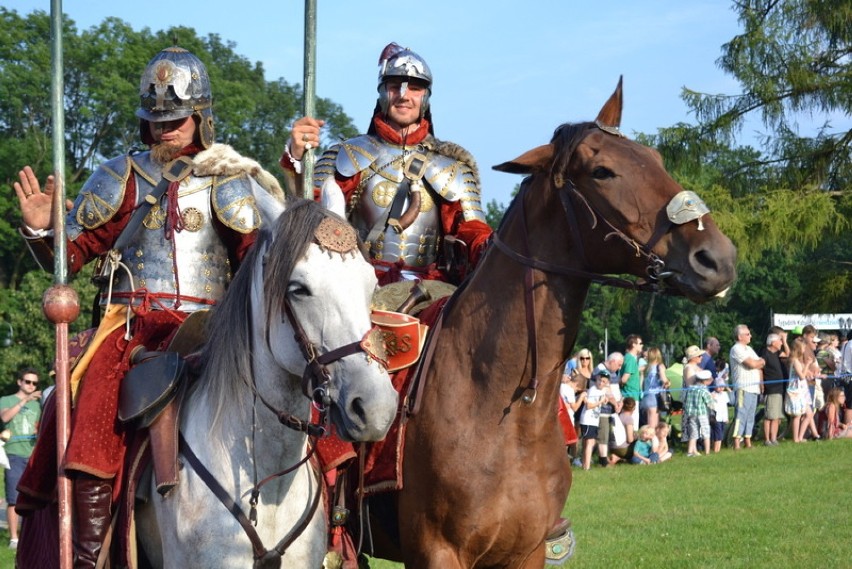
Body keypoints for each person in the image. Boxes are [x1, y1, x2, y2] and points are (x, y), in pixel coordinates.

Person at [13, 46, 283, 567]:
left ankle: (334, 533)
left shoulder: (230, 179)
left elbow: (255, 263)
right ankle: (90, 551)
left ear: (200, 118)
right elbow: (70, 259)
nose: (166, 130)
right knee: (89, 401)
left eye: (177, 120)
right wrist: (44, 229)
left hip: (210, 325)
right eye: (156, 120)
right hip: (130, 323)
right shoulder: (121, 176)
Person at [282, 42, 492, 286]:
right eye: (395, 87)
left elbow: (474, 233)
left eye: (414, 88)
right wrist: (296, 159)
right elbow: (306, 212)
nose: (403, 96)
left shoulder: (452, 169)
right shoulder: (347, 155)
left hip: (428, 287)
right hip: (356, 284)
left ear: (425, 98)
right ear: (382, 93)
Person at [0, 368, 42, 549]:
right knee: (13, 498)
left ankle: (32, 535)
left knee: (35, 497)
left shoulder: (38, 404)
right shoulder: (6, 400)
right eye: (28, 381)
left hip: (33, 454)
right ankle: (14, 538)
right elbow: (5, 416)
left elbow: (40, 426)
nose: (31, 385)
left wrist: (38, 430)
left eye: (34, 383)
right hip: (14, 454)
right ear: (19, 382)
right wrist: (24, 400)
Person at [729, 325, 766, 450]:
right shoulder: (736, 349)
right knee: (741, 415)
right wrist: (758, 363)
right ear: (740, 336)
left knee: (751, 415)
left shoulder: (749, 349)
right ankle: (736, 442)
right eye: (748, 334)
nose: (750, 336)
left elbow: (761, 363)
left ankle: (748, 440)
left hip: (754, 388)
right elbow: (752, 364)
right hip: (743, 388)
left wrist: (758, 363)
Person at [785, 337, 820, 442]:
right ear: (798, 348)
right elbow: (801, 376)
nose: (805, 349)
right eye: (803, 347)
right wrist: (808, 365)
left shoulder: (798, 361)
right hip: (796, 391)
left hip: (801, 390)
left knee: (809, 414)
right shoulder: (795, 361)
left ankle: (800, 437)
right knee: (797, 415)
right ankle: (796, 438)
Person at [579, 369, 612, 470]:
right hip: (588, 420)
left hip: (593, 420)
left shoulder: (601, 390)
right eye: (599, 380)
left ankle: (585, 465)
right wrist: (600, 401)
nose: (601, 383)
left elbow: (605, 396)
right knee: (590, 443)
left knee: (587, 443)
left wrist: (605, 399)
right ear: (596, 379)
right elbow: (588, 405)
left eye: (604, 381)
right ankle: (587, 467)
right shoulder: (593, 390)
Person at [759, 333, 787, 446]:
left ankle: (773, 438)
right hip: (771, 388)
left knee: (776, 416)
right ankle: (767, 439)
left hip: (779, 388)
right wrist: (761, 384)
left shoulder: (778, 353)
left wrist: (785, 342)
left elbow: (788, 355)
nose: (781, 343)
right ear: (773, 342)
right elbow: (760, 369)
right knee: (770, 415)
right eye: (779, 341)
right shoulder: (765, 353)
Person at [683, 369, 713, 457]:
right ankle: (707, 452)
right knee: (706, 432)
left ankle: (690, 452)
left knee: (694, 433)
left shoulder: (691, 389)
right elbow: (709, 403)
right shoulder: (704, 390)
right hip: (702, 414)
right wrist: (713, 398)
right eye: (710, 379)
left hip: (691, 414)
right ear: (705, 381)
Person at [640, 346, 669, 429]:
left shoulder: (646, 367)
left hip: (646, 396)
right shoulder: (660, 366)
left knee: (649, 422)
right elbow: (664, 380)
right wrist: (668, 382)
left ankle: (650, 440)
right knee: (653, 425)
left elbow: (641, 383)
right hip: (655, 396)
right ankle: (652, 440)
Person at [620, 335, 643, 429]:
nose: (642, 345)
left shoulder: (630, 358)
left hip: (631, 395)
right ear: (634, 344)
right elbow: (624, 379)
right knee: (632, 427)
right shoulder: (630, 359)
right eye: (640, 343)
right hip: (630, 397)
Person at [709, 376, 729, 453]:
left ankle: (717, 449)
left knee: (720, 433)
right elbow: (710, 405)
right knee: (717, 434)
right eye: (719, 387)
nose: (721, 388)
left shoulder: (725, 394)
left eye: (722, 387)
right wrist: (711, 398)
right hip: (715, 418)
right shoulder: (712, 394)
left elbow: (725, 407)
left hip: (723, 418)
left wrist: (726, 418)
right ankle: (716, 449)